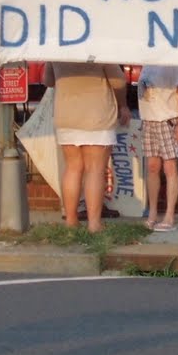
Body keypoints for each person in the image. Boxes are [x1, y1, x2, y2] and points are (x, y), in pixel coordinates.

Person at [45, 61, 131, 234]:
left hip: (66, 115)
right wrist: (123, 105)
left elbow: (48, 80)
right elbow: (118, 81)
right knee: (95, 170)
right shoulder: (99, 46)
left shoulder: (58, 48)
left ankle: (70, 220)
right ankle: (94, 224)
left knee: (72, 168)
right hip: (97, 115)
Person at [137, 64, 178, 231]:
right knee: (152, 167)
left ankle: (169, 215)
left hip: (166, 118)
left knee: (169, 167)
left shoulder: (172, 65)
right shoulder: (147, 64)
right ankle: (152, 212)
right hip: (149, 119)